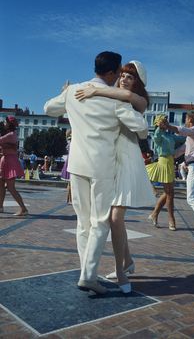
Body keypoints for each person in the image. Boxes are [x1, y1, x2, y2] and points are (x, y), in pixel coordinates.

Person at [44, 51, 148, 295]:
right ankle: (88, 276)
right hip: (103, 168)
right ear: (111, 73)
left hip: (77, 166)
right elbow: (142, 128)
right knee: (99, 222)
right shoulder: (116, 101)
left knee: (83, 222)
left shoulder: (73, 91)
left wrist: (65, 94)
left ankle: (85, 272)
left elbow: (48, 108)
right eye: (119, 72)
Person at [75, 60, 155, 293]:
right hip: (109, 164)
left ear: (138, 82)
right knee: (109, 218)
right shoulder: (115, 99)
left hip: (127, 163)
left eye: (130, 77)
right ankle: (127, 261)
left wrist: (97, 89)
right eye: (122, 75)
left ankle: (121, 272)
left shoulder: (134, 102)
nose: (124, 79)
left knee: (115, 218)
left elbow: (141, 124)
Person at [166, 112, 194, 237]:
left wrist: (167, 126)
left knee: (191, 198)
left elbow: (180, 130)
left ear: (190, 119)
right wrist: (170, 156)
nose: (185, 120)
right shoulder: (193, 135)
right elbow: (181, 150)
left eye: (186, 118)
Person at [146, 114, 185, 230]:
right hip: (163, 162)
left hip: (170, 163)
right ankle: (171, 220)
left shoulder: (170, 135)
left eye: (166, 121)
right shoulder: (158, 135)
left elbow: (183, 138)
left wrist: (188, 131)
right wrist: (159, 126)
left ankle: (154, 214)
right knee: (170, 194)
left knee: (168, 193)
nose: (165, 122)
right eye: (163, 121)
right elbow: (157, 136)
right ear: (159, 123)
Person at [0, 116, 28, 216]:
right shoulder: (10, 134)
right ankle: (0, 207)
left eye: (5, 122)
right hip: (6, 159)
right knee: (1, 185)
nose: (3, 123)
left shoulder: (11, 135)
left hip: (9, 160)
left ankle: (23, 208)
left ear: (9, 124)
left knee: (11, 187)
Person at [61, 129, 72, 204]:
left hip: (69, 161)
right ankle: (70, 199)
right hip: (72, 161)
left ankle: (68, 199)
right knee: (71, 183)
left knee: (69, 183)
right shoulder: (72, 142)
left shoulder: (68, 142)